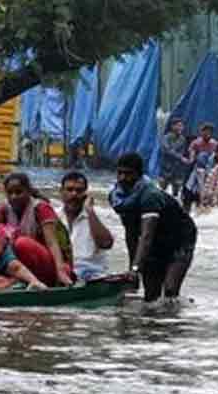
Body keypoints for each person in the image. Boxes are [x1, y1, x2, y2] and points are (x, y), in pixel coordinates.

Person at [109, 153, 198, 304]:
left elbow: (146, 235)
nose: (123, 178)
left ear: (138, 174)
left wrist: (136, 269)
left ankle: (177, 319)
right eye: (120, 173)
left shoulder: (150, 195)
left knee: (169, 291)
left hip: (180, 238)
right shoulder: (118, 198)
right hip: (156, 240)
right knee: (151, 296)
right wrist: (133, 269)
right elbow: (130, 234)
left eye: (128, 174)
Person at [0, 172, 74, 287]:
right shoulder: (4, 209)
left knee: (21, 243)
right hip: (21, 265)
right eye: (10, 193)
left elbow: (52, 243)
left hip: (53, 265)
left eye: (19, 192)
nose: (14, 196)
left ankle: (29, 280)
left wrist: (60, 272)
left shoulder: (41, 208)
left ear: (28, 191)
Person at [60, 171, 114, 280]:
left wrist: (90, 211)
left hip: (91, 273)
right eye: (69, 190)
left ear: (85, 194)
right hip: (64, 271)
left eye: (79, 190)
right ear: (61, 192)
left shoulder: (97, 215)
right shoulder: (53, 216)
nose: (74, 194)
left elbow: (106, 244)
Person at [160, 119, 191, 197]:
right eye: (178, 125)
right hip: (166, 167)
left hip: (177, 169)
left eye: (182, 126)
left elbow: (181, 152)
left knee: (176, 192)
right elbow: (167, 150)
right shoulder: (166, 138)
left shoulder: (182, 139)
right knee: (162, 189)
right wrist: (180, 158)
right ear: (172, 126)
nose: (181, 128)